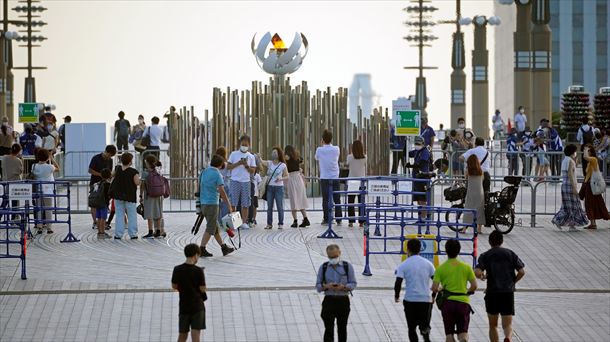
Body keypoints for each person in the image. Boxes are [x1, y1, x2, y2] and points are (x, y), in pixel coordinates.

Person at [475, 231, 526, 342]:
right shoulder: (510, 253)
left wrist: (482, 276)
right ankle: (507, 338)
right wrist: (513, 282)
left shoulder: (485, 255)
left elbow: (477, 271)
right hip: (507, 292)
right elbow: (521, 271)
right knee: (507, 325)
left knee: (493, 325)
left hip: (492, 293)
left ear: (490, 242)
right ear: (502, 241)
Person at [432, 239, 477, 342]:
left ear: (446, 251)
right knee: (463, 333)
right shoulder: (466, 267)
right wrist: (467, 292)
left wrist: (440, 289)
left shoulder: (440, 268)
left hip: (448, 303)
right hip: (463, 303)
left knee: (449, 335)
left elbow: (434, 288)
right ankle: (463, 339)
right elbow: (474, 285)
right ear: (459, 251)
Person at [394, 239, 435, 342]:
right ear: (420, 249)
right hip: (425, 300)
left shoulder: (403, 265)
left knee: (411, 328)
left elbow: (398, 282)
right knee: (424, 326)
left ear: (407, 249)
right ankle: (426, 336)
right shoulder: (428, 264)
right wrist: (433, 295)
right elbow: (436, 281)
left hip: (410, 300)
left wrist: (397, 296)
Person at [315, 244, 357, 342]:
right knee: (328, 328)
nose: (333, 259)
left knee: (342, 328)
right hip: (329, 300)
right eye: (331, 257)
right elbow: (318, 286)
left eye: (335, 256)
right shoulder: (324, 267)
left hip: (343, 301)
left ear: (339, 253)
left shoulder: (347, 266)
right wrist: (326, 287)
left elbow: (353, 283)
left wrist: (344, 287)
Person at [198, 154, 235, 257]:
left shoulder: (204, 171)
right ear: (220, 164)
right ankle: (202, 248)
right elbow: (222, 191)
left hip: (203, 203)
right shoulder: (217, 174)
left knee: (215, 227)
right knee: (211, 227)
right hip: (212, 203)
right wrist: (228, 205)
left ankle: (224, 247)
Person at [171, 243, 207, 342]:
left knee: (182, 334)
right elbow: (202, 288)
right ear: (196, 255)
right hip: (197, 306)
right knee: (195, 334)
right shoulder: (199, 271)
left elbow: (174, 286)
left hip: (184, 305)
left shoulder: (177, 269)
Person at [551, 144, 589, 230]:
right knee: (574, 205)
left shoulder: (565, 160)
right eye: (575, 151)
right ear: (573, 152)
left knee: (567, 206)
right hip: (570, 185)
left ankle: (560, 221)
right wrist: (575, 188)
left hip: (564, 185)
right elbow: (570, 174)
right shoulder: (570, 161)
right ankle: (571, 224)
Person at [227, 135, 256, 230]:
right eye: (243, 144)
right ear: (240, 144)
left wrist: (246, 165)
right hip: (235, 180)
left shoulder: (251, 156)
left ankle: (244, 222)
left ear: (249, 145)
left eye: (246, 144)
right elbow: (228, 166)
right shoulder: (234, 154)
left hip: (246, 181)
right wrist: (238, 163)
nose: (244, 146)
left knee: (245, 202)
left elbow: (253, 170)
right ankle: (234, 222)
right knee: (233, 202)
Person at [316, 129, 343, 225]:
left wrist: (322, 144)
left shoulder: (319, 150)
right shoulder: (336, 149)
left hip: (324, 177)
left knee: (325, 199)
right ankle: (339, 218)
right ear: (331, 139)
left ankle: (326, 219)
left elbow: (316, 158)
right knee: (337, 198)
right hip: (335, 176)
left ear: (322, 139)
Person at [112, 152, 141, 239]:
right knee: (131, 215)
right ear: (130, 162)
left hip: (118, 195)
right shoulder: (134, 172)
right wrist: (141, 181)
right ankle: (133, 234)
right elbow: (137, 183)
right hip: (130, 196)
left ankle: (118, 234)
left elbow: (111, 176)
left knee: (119, 215)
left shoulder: (117, 169)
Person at [31, 149, 60, 235]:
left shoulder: (34, 166)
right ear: (47, 157)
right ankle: (49, 228)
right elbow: (58, 168)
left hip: (38, 190)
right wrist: (52, 158)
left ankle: (39, 226)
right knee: (48, 209)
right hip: (48, 190)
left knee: (39, 209)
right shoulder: (49, 167)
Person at [88, 145, 117, 230]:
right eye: (109, 155)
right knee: (94, 202)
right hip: (95, 184)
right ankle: (95, 222)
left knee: (103, 203)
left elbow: (110, 172)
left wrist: (109, 178)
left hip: (105, 184)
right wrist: (101, 174)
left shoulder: (110, 160)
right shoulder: (96, 158)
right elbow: (90, 170)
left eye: (111, 156)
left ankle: (101, 223)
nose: (109, 157)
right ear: (106, 152)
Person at [581, 145, 610, 229]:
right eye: (587, 150)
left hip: (592, 186)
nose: (587, 152)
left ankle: (593, 223)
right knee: (593, 204)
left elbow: (585, 156)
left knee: (595, 204)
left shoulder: (593, 159)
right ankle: (593, 223)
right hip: (589, 185)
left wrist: (585, 149)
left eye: (589, 150)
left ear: (592, 152)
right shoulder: (590, 161)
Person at [259, 147, 288, 230]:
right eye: (272, 152)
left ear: (279, 154)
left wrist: (281, 178)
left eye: (275, 152)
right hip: (270, 188)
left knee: (280, 206)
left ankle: (280, 223)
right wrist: (259, 157)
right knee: (269, 207)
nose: (273, 154)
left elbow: (287, 175)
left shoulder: (283, 165)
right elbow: (262, 162)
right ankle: (269, 224)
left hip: (279, 188)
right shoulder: (270, 163)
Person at [140, 155, 167, 238]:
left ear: (148, 163)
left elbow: (142, 185)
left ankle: (150, 232)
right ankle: (158, 231)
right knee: (158, 213)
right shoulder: (159, 171)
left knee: (149, 213)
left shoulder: (145, 173)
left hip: (149, 195)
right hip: (159, 195)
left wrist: (141, 195)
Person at [284, 145, 310, 228]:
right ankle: (305, 218)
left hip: (292, 179)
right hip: (299, 179)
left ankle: (295, 221)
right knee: (300, 199)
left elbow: (284, 160)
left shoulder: (287, 157)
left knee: (293, 200)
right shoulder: (297, 158)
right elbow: (301, 161)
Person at [346, 140, 366, 228]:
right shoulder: (365, 157)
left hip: (352, 182)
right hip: (361, 181)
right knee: (361, 202)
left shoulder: (350, 157)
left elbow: (347, 164)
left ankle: (351, 221)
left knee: (351, 201)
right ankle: (361, 222)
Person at [408, 136, 431, 207]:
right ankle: (420, 216)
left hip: (422, 178)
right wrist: (406, 141)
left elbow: (421, 164)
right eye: (416, 143)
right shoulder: (416, 151)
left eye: (418, 143)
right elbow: (406, 153)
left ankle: (424, 217)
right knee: (418, 200)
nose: (417, 145)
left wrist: (411, 166)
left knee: (422, 200)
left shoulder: (425, 152)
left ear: (423, 143)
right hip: (416, 178)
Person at [464, 155, 485, 233]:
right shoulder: (481, 171)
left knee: (468, 208)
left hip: (471, 192)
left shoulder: (468, 171)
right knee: (479, 210)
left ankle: (464, 228)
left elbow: (465, 178)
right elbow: (482, 179)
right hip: (480, 192)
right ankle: (479, 229)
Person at [2, 144, 23, 211]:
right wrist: (21, 159)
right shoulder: (18, 160)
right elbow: (20, 171)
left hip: (6, 182)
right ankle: (13, 219)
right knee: (14, 203)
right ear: (19, 151)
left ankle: (1, 216)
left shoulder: (4, 158)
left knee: (5, 202)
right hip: (15, 183)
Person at [92, 168, 112, 239]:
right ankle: (102, 233)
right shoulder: (107, 184)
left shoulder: (98, 183)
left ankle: (99, 233)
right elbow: (109, 195)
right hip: (104, 204)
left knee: (99, 218)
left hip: (97, 203)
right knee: (103, 218)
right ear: (109, 175)